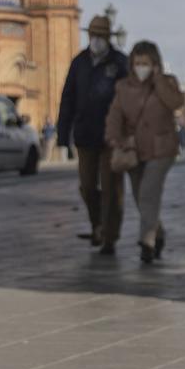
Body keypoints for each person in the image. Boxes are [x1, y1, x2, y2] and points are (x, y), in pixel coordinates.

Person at [104, 40, 184, 265]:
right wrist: (115, 139)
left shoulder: (167, 82)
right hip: (135, 150)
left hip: (161, 150)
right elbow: (114, 116)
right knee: (141, 198)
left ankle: (146, 242)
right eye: (137, 63)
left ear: (155, 64)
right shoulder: (123, 87)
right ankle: (158, 233)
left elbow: (175, 102)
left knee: (149, 192)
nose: (141, 67)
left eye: (146, 63)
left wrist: (158, 80)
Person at [57, 14, 128, 253]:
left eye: (101, 35)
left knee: (112, 188)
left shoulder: (120, 63)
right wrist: (62, 134)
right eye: (94, 35)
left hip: (112, 137)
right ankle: (97, 223)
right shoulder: (79, 62)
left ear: (108, 38)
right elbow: (67, 98)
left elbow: (129, 98)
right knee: (87, 185)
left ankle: (109, 236)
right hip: (85, 135)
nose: (96, 39)